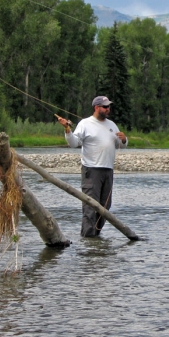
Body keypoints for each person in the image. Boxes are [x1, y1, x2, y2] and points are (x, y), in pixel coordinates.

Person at [57, 96, 128, 237]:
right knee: (90, 207)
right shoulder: (85, 124)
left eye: (108, 107)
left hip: (108, 171)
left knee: (105, 208)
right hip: (91, 170)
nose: (108, 109)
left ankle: (96, 236)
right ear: (96, 107)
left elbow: (121, 145)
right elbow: (74, 143)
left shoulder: (112, 125)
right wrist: (67, 129)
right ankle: (88, 240)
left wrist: (124, 139)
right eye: (105, 107)